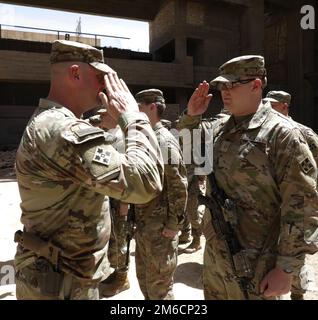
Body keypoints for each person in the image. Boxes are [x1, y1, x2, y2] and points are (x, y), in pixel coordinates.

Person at [14, 40, 164, 300]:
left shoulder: (57, 122)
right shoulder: (62, 130)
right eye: (100, 77)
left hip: (61, 275)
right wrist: (133, 116)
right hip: (61, 284)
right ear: (75, 73)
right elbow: (144, 183)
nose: (106, 86)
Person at [177, 55, 318, 300]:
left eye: (232, 85)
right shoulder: (221, 129)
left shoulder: (283, 135)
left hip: (256, 266)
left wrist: (286, 269)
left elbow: (302, 207)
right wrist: (191, 117)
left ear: (256, 85)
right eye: (222, 86)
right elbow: (187, 154)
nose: (225, 92)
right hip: (216, 260)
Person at [134, 89, 188, 299]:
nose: (135, 112)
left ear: (152, 107)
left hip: (161, 229)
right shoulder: (148, 137)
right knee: (146, 283)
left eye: (139, 108)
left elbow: (178, 184)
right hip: (146, 225)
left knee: (160, 289)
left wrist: (175, 223)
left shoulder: (164, 140)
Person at [264, 90, 318, 300]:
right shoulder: (268, 132)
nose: (267, 108)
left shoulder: (304, 133)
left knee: (297, 252)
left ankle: (298, 292)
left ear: (284, 106)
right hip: (274, 204)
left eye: (273, 105)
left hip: (299, 203)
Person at [178, 165, 206, 253]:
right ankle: (185, 234)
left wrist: (201, 177)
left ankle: (197, 241)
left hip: (191, 181)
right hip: (179, 178)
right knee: (182, 208)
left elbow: (201, 158)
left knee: (192, 210)